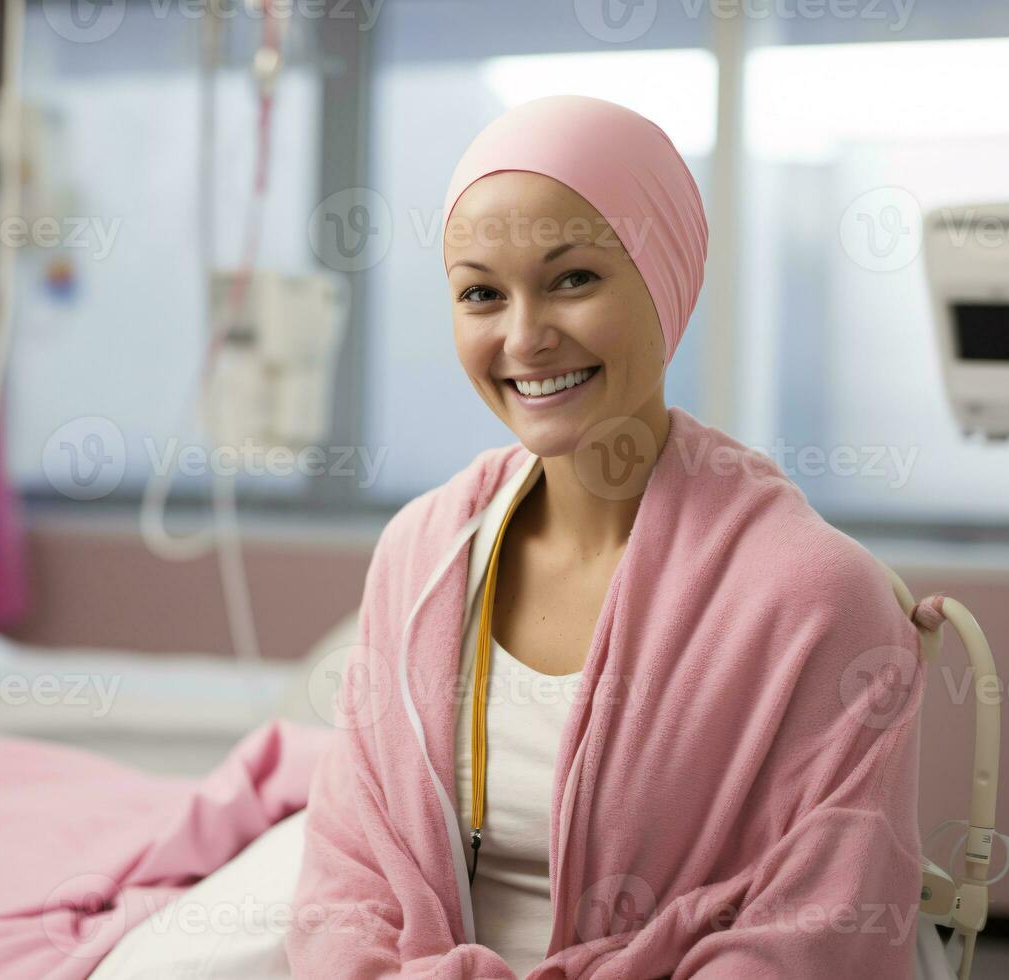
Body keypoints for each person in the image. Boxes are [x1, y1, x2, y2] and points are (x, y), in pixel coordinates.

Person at [287, 94, 926, 979]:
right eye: (481, 293)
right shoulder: (420, 553)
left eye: (572, 279)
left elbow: (819, 931)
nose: (524, 337)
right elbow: (344, 880)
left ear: (665, 279)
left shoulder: (815, 599)